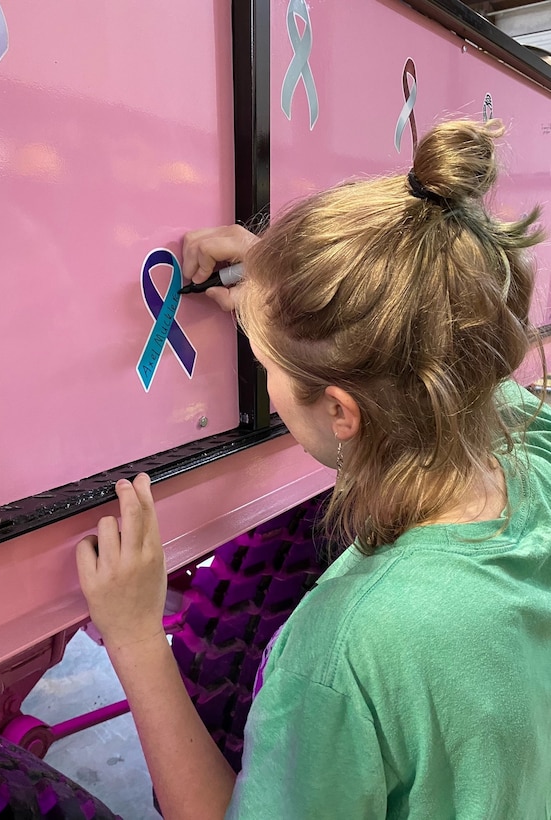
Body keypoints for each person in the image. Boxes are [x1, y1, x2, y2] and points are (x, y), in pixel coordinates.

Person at [75, 119, 551, 819]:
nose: (263, 378)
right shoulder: (531, 448)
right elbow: (427, 346)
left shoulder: (347, 648)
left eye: (267, 367)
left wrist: (136, 639)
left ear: (340, 412)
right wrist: (294, 294)